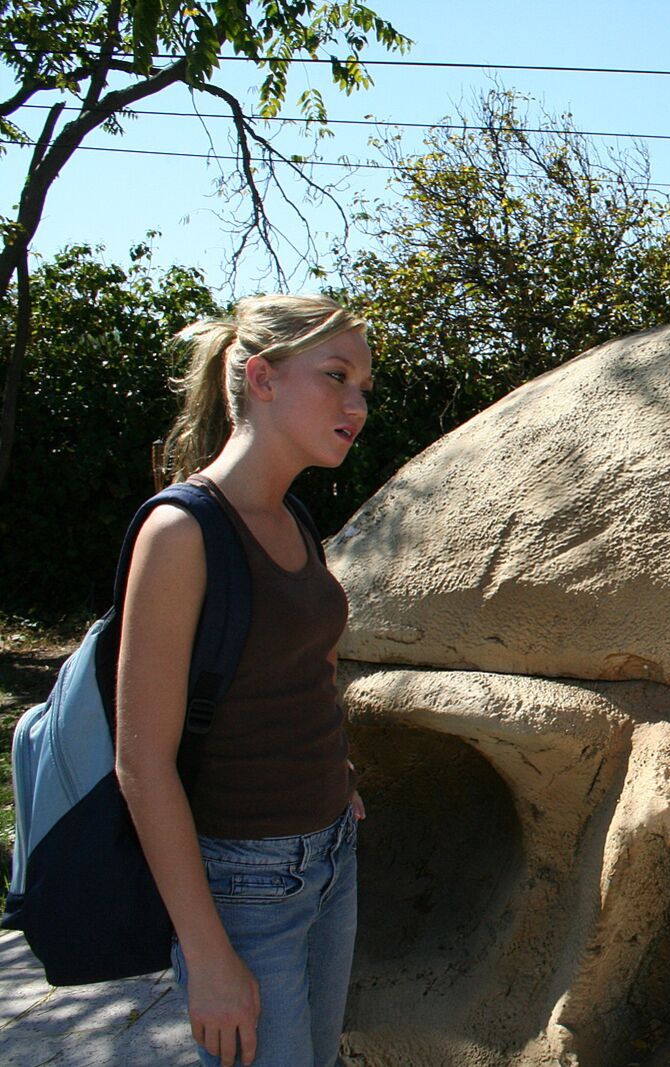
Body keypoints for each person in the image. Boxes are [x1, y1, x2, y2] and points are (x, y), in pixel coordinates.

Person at [116, 295, 373, 1067]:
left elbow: (305, 670)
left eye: (363, 385)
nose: (356, 404)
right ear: (261, 377)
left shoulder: (293, 516)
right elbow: (142, 762)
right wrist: (208, 955)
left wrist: (339, 772)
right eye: (336, 377)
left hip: (332, 856)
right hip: (243, 884)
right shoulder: (182, 531)